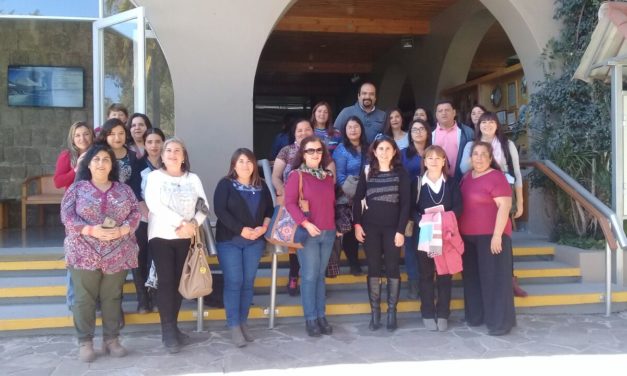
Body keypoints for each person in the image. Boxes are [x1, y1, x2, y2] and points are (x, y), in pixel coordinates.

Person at [60, 144, 140, 362]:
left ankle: (111, 340)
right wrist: (89, 229)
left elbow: (135, 212)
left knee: (112, 298)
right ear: (88, 164)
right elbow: (67, 217)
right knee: (84, 299)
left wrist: (124, 229)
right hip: (83, 253)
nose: (101, 163)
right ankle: (85, 342)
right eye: (96, 159)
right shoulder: (77, 189)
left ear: (112, 164)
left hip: (118, 253)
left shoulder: (124, 190)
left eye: (106, 159)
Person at [145, 138, 209, 353]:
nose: (172, 154)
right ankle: (167, 331)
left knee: (180, 283)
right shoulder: (155, 178)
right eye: (168, 150)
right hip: (161, 236)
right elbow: (154, 204)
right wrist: (180, 223)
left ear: (184, 156)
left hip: (186, 237)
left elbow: (204, 206)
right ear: (162, 156)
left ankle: (174, 326)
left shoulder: (193, 178)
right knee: (166, 282)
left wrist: (192, 225)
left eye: (177, 150)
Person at [459, 112, 526, 297]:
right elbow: (463, 168)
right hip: (480, 190)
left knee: (504, 236)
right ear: (478, 125)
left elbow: (517, 172)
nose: (487, 125)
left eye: (491, 122)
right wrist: (480, 158)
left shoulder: (507, 144)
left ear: (497, 125)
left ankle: (510, 279)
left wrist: (520, 201)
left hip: (503, 191)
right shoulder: (471, 145)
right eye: (484, 122)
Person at [214, 148, 274, 347]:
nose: (245, 165)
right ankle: (233, 325)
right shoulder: (225, 184)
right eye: (241, 161)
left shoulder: (261, 185)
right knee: (234, 281)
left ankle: (243, 321)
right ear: (234, 164)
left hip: (255, 242)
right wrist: (241, 230)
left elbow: (270, 209)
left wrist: (264, 227)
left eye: (249, 161)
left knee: (248, 282)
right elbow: (220, 210)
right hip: (230, 241)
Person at [353, 136, 410, 332]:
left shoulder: (401, 174)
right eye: (380, 149)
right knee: (374, 268)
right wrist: (357, 225)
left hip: (393, 229)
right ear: (374, 152)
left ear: (394, 151)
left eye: (388, 148)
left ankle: (391, 312)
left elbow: (405, 205)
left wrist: (401, 231)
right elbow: (358, 199)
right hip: (370, 228)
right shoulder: (368, 171)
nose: (384, 152)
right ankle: (375, 312)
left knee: (393, 268)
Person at [459, 142, 516, 336]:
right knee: (473, 279)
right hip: (468, 237)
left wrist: (497, 235)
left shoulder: (497, 177)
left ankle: (499, 323)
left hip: (492, 237)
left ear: (491, 158)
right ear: (470, 158)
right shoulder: (467, 177)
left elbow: (505, 207)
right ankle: (476, 317)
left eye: (484, 154)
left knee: (494, 280)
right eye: (476, 154)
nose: (479, 158)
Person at [272, 119, 333, 296]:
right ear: (294, 132)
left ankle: (313, 284)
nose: (303, 132)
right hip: (292, 201)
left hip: (316, 208)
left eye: (307, 129)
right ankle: (294, 276)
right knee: (295, 240)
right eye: (299, 130)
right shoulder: (286, 151)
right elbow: (276, 176)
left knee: (315, 266)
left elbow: (329, 175)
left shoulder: (320, 152)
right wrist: (285, 193)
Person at [284, 136, 336, 337]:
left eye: (318, 150)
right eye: (310, 151)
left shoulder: (328, 176)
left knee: (320, 277)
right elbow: (290, 203)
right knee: (308, 276)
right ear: (303, 154)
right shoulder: (296, 175)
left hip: (328, 232)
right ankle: (311, 318)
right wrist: (305, 223)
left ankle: (321, 315)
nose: (315, 154)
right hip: (308, 233)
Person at [414, 145, 463, 332]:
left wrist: (442, 220)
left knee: (445, 274)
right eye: (430, 158)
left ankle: (443, 313)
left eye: (438, 158)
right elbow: (411, 207)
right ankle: (427, 312)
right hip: (425, 235)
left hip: (446, 235)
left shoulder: (451, 183)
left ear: (444, 161)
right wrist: (422, 221)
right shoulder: (417, 183)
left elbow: (458, 207)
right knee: (426, 274)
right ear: (424, 161)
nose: (434, 161)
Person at [134, 127, 166, 314]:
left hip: (163, 223)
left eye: (157, 141)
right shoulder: (138, 165)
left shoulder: (168, 165)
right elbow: (134, 193)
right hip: (143, 220)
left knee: (157, 259)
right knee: (140, 258)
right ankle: (142, 299)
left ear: (163, 143)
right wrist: (146, 212)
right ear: (144, 144)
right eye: (150, 142)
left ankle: (155, 296)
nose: (154, 146)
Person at [400, 119, 432, 299]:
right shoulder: (404, 154)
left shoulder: (434, 152)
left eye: (422, 129)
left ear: (428, 132)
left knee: (429, 246)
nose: (418, 132)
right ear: (410, 134)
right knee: (411, 245)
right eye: (414, 130)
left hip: (431, 205)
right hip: (409, 205)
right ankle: (413, 281)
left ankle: (427, 281)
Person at [333, 116, 368, 276]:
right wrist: (354, 193)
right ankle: (353, 262)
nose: (353, 130)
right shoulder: (341, 149)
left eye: (356, 126)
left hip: (368, 195)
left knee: (369, 228)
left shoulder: (369, 148)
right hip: (348, 197)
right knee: (350, 231)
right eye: (349, 127)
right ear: (345, 131)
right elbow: (339, 176)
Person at [432, 100, 475, 181]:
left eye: (447, 110)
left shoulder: (467, 132)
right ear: (436, 115)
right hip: (437, 180)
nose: (444, 113)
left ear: (454, 113)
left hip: (462, 180)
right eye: (440, 111)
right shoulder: (429, 133)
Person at [54, 121, 94, 190]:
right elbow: (58, 183)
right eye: (77, 135)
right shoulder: (67, 155)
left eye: (86, 134)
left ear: (92, 136)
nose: (82, 139)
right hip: (74, 197)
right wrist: (77, 168)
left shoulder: (99, 153)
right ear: (73, 139)